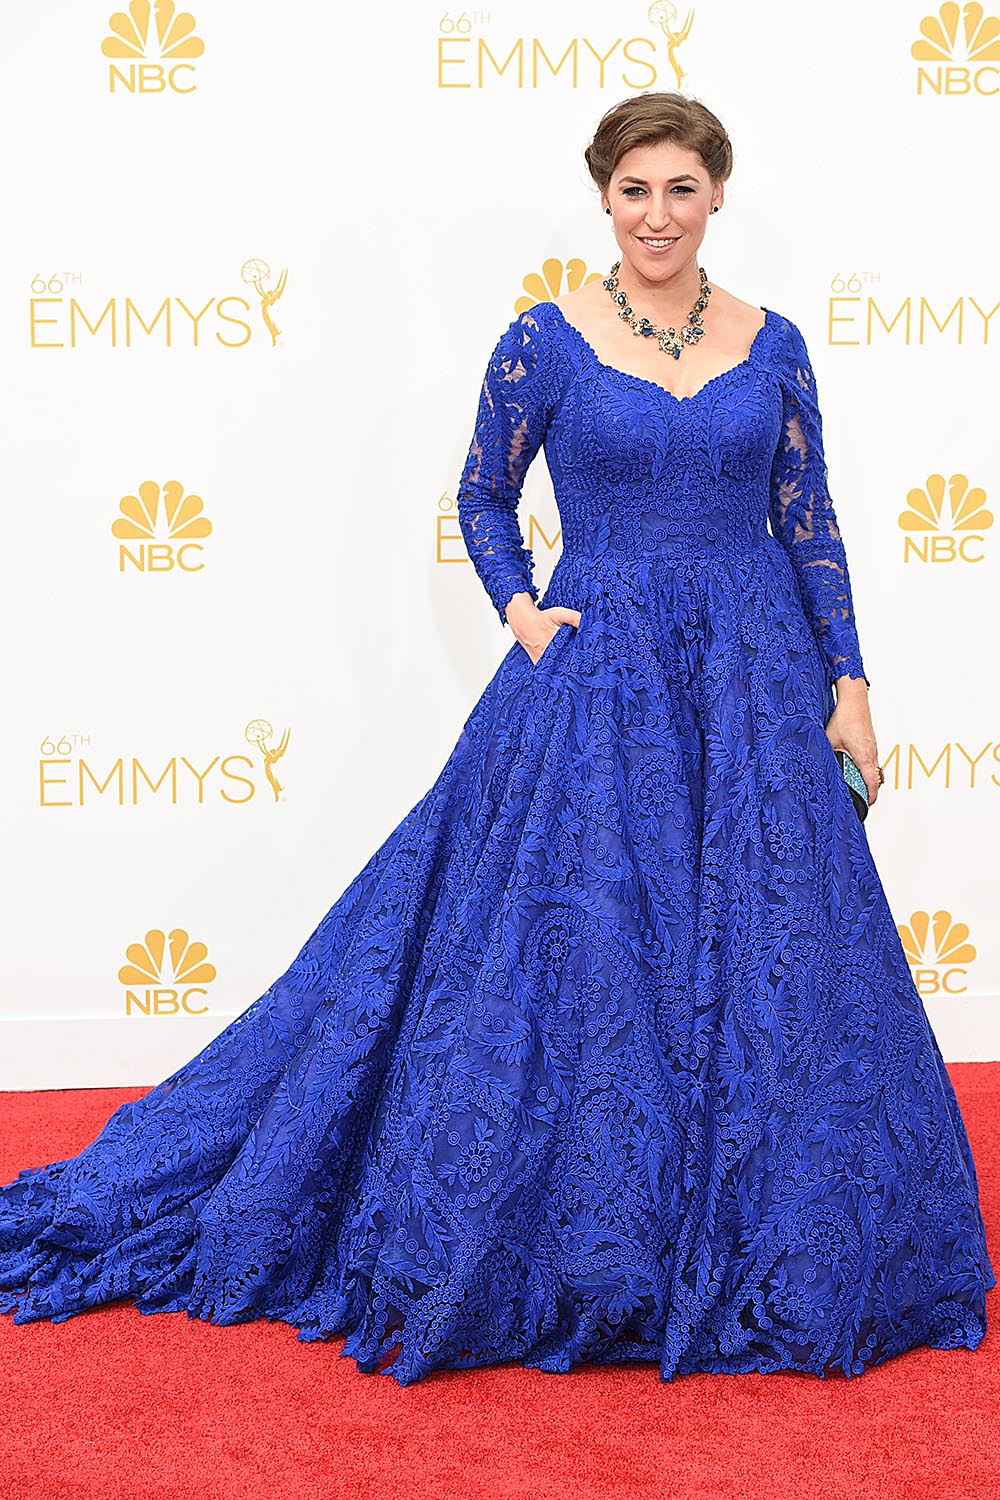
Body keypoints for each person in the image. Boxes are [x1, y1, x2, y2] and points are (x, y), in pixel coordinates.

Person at [0, 92, 993, 1387]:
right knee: (587, 954)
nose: (657, 214)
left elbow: (810, 520)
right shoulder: (545, 340)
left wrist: (848, 681)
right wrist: (523, 613)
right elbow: (480, 489)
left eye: (681, 188)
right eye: (634, 189)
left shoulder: (774, 343)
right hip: (602, 676)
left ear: (719, 195)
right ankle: (595, 1243)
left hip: (755, 678)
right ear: (602, 197)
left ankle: (774, 1232)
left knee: (773, 960)